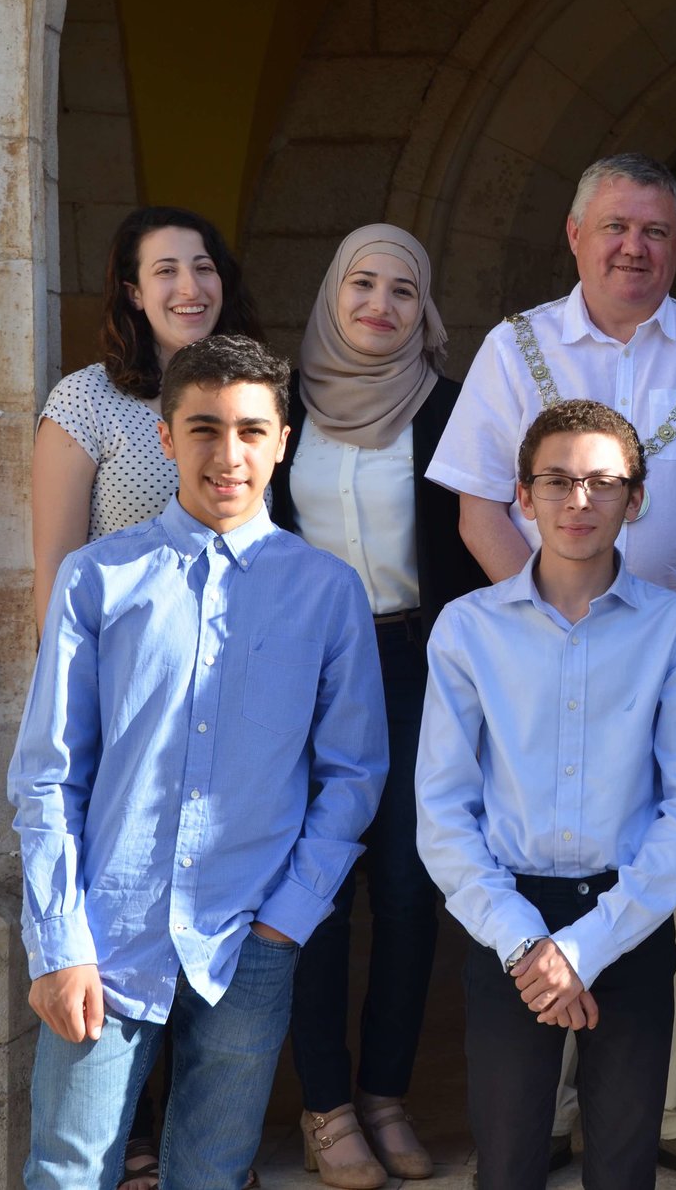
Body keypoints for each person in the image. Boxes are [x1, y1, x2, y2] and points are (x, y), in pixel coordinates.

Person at [427, 153, 676, 1187]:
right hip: (527, 668)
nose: (634, 246)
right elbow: (474, 502)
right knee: (530, 867)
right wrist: (559, 623)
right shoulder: (516, 349)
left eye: (655, 231)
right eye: (616, 227)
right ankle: (546, 1098)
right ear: (576, 234)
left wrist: (662, 631)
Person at [10, 335, 387, 1190]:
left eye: (252, 430)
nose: (229, 454)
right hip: (106, 937)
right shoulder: (96, 578)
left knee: (214, 1173)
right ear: (166, 439)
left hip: (251, 935)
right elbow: (49, 774)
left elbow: (352, 775)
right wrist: (59, 940)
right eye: (206, 428)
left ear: (283, 440)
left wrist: (289, 916)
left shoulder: (329, 593)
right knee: (69, 1170)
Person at [415, 399, 676, 1190]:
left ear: (636, 499)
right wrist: (527, 944)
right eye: (556, 481)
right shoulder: (466, 629)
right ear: (522, 495)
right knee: (509, 1162)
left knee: (623, 1166)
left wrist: (583, 949)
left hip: (630, 921)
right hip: (506, 924)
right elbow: (443, 810)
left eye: (603, 483)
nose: (579, 501)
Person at [270, 224, 484, 1187]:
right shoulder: (278, 407)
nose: (380, 306)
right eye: (362, 283)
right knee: (315, 890)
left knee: (406, 886)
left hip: (413, 664)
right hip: (302, 674)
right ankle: (325, 1107)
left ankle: (387, 1095)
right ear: (330, 291)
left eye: (403, 291)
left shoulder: (449, 409)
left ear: (424, 309)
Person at [33, 205, 261, 628]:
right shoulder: (85, 399)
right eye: (166, 271)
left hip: (238, 656)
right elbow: (54, 574)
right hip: (125, 664)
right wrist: (69, 686)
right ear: (133, 293)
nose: (190, 288)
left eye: (203, 267)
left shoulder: (256, 400)